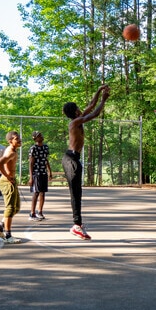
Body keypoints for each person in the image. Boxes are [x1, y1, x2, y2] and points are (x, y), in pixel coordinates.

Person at [62, 84, 110, 240]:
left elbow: (91, 106)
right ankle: (76, 225)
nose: (80, 109)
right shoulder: (74, 123)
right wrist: (103, 100)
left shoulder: (79, 120)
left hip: (74, 158)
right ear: (74, 112)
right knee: (75, 193)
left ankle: (78, 224)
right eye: (77, 108)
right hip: (70, 159)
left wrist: (99, 90)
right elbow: (94, 113)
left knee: (78, 193)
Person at [0, 131, 22, 244]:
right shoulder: (11, 152)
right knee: (10, 208)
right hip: (7, 182)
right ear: (10, 141)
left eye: (19, 138)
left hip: (11, 181)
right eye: (16, 139)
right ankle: (7, 235)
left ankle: (0, 228)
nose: (19, 140)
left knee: (16, 208)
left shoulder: (14, 150)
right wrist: (8, 176)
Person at [28, 131, 52, 221]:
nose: (41, 136)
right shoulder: (33, 148)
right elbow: (31, 163)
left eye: (41, 135)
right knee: (36, 192)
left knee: (43, 192)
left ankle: (40, 212)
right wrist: (31, 177)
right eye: (39, 136)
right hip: (36, 173)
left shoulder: (45, 147)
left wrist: (49, 171)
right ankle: (32, 213)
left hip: (43, 172)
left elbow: (46, 160)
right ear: (35, 138)